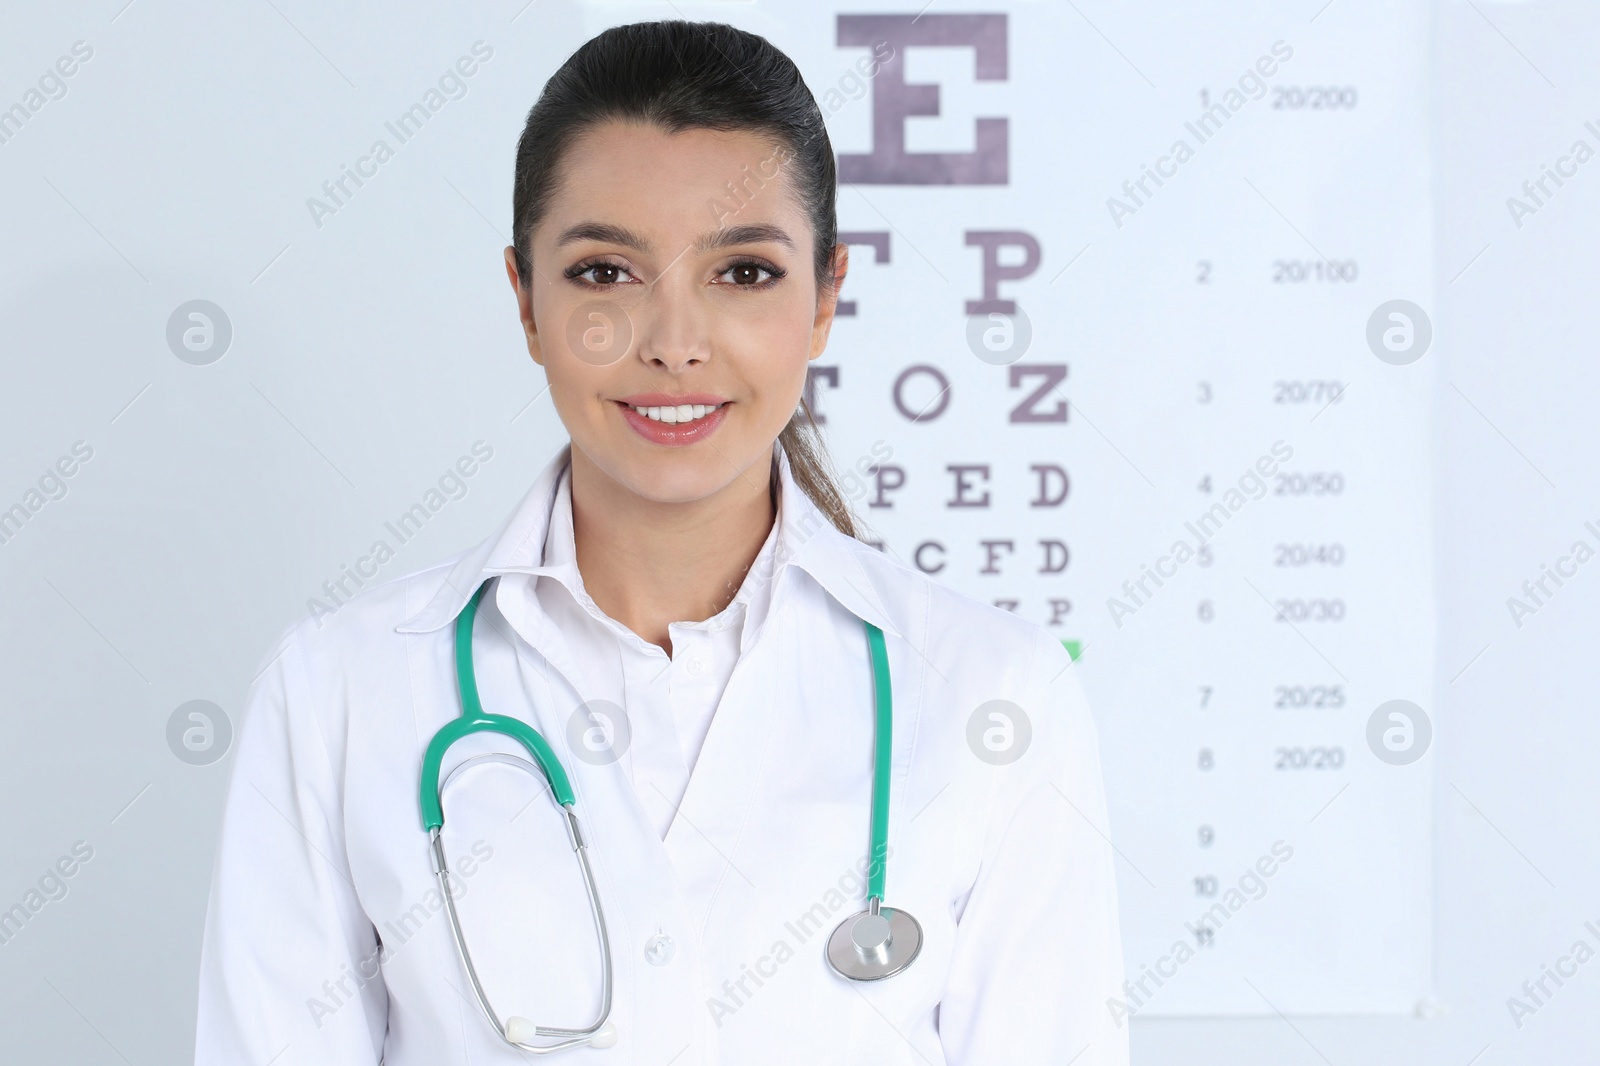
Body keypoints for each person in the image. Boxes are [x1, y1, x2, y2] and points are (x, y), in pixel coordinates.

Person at [195, 19, 1126, 1065]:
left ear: (824, 298)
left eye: (743, 274)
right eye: (604, 273)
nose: (674, 341)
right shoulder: (339, 693)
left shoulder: (994, 696)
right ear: (525, 301)